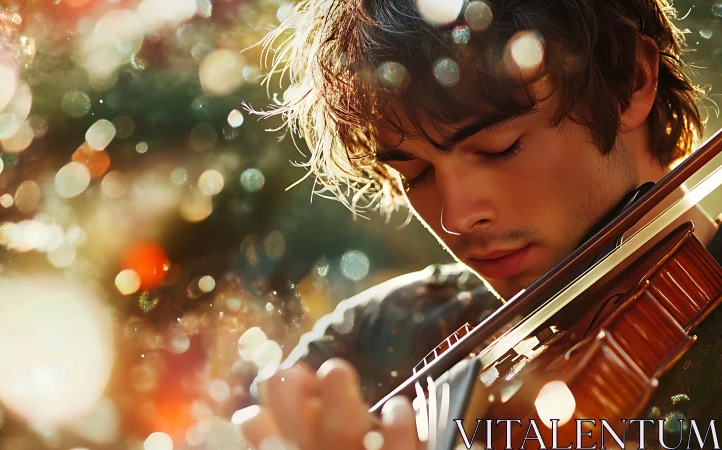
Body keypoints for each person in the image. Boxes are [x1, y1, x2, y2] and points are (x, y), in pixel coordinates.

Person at [236, 0, 722, 448]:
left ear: (629, 81)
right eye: (417, 173)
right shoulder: (379, 335)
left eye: (499, 148)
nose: (457, 217)